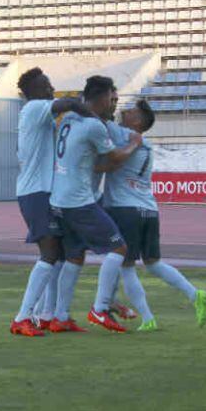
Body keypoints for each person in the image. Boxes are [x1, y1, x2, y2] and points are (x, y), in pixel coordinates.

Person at [98, 99, 206, 330]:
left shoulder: (124, 135)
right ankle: (194, 294)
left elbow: (99, 119)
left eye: (130, 111)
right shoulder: (147, 145)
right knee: (153, 263)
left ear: (137, 121)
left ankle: (148, 318)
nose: (124, 112)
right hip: (149, 209)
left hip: (125, 209)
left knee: (126, 266)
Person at [49, 75, 143, 334]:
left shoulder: (68, 118)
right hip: (78, 202)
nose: (114, 105)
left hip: (59, 198)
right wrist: (134, 144)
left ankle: (60, 316)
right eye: (113, 99)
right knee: (119, 247)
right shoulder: (94, 126)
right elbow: (114, 158)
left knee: (74, 256)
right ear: (101, 98)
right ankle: (100, 310)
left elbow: (91, 162)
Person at [9, 68, 97, 337]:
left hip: (45, 192)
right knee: (49, 254)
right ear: (32, 91)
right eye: (46, 85)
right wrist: (94, 117)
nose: (50, 88)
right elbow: (68, 103)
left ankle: (48, 315)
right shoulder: (35, 108)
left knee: (57, 255)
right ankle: (22, 317)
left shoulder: (40, 114)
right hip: (35, 193)